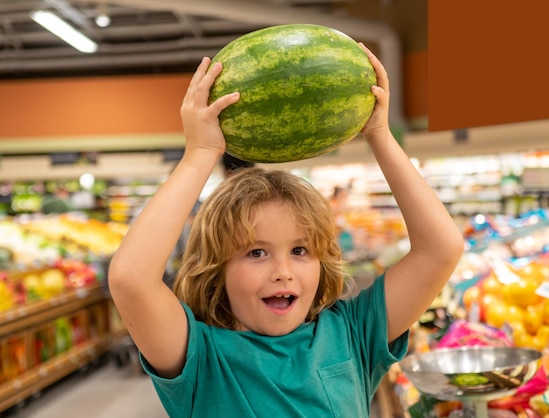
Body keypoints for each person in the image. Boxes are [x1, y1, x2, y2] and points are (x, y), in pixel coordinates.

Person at [108, 44, 464, 417]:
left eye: (299, 251)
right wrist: (199, 152)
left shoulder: (352, 333)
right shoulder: (199, 357)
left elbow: (441, 249)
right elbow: (132, 278)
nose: (283, 272)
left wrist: (380, 135)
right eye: (256, 252)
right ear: (217, 270)